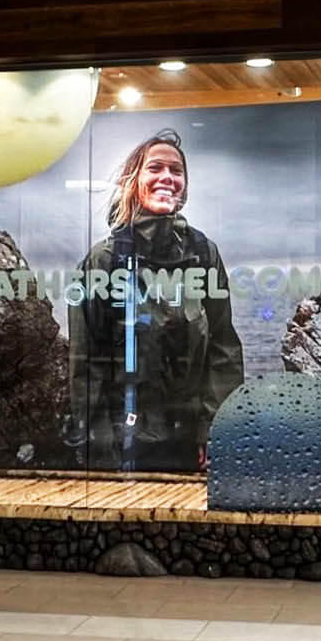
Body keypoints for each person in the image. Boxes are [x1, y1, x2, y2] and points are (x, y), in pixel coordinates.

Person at [68, 129, 243, 471]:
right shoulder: (104, 261)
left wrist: (214, 431)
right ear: (133, 181)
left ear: (185, 186)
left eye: (176, 171)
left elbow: (224, 351)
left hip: (191, 447)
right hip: (126, 448)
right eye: (155, 168)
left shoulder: (203, 255)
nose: (167, 177)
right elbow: (85, 366)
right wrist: (100, 449)